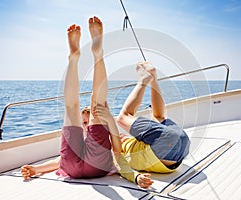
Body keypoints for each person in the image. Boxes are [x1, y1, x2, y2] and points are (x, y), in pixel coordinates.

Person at [21, 16, 153, 189]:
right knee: (88, 105)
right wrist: (36, 169)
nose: (86, 125)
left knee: (76, 108)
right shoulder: (82, 139)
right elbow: (59, 161)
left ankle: (75, 58)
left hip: (80, 166)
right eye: (84, 122)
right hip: (86, 165)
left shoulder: (90, 135)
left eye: (87, 122)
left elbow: (117, 150)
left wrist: (108, 120)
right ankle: (94, 55)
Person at [117, 61, 190, 173]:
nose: (120, 135)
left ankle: (150, 80)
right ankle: (148, 80)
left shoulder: (136, 147)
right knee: (123, 117)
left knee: (158, 117)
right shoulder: (118, 153)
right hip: (174, 144)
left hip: (178, 146)